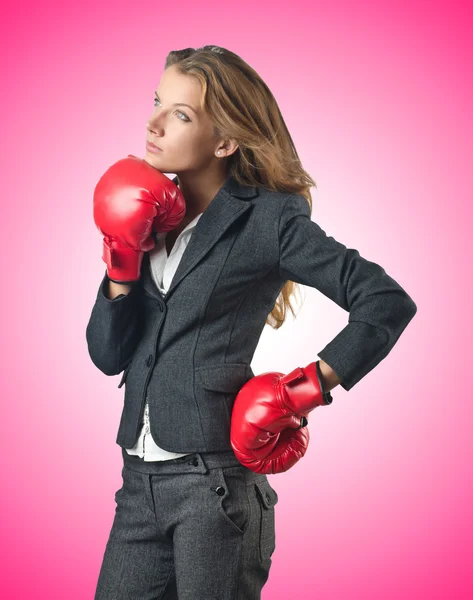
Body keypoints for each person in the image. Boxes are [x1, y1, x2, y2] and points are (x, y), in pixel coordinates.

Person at [87, 45, 417, 600]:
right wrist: (121, 257)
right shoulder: (146, 209)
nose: (154, 122)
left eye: (181, 113)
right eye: (157, 101)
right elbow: (107, 356)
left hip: (215, 487)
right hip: (137, 484)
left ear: (225, 141)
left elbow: (386, 301)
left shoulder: (268, 220)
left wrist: (302, 391)